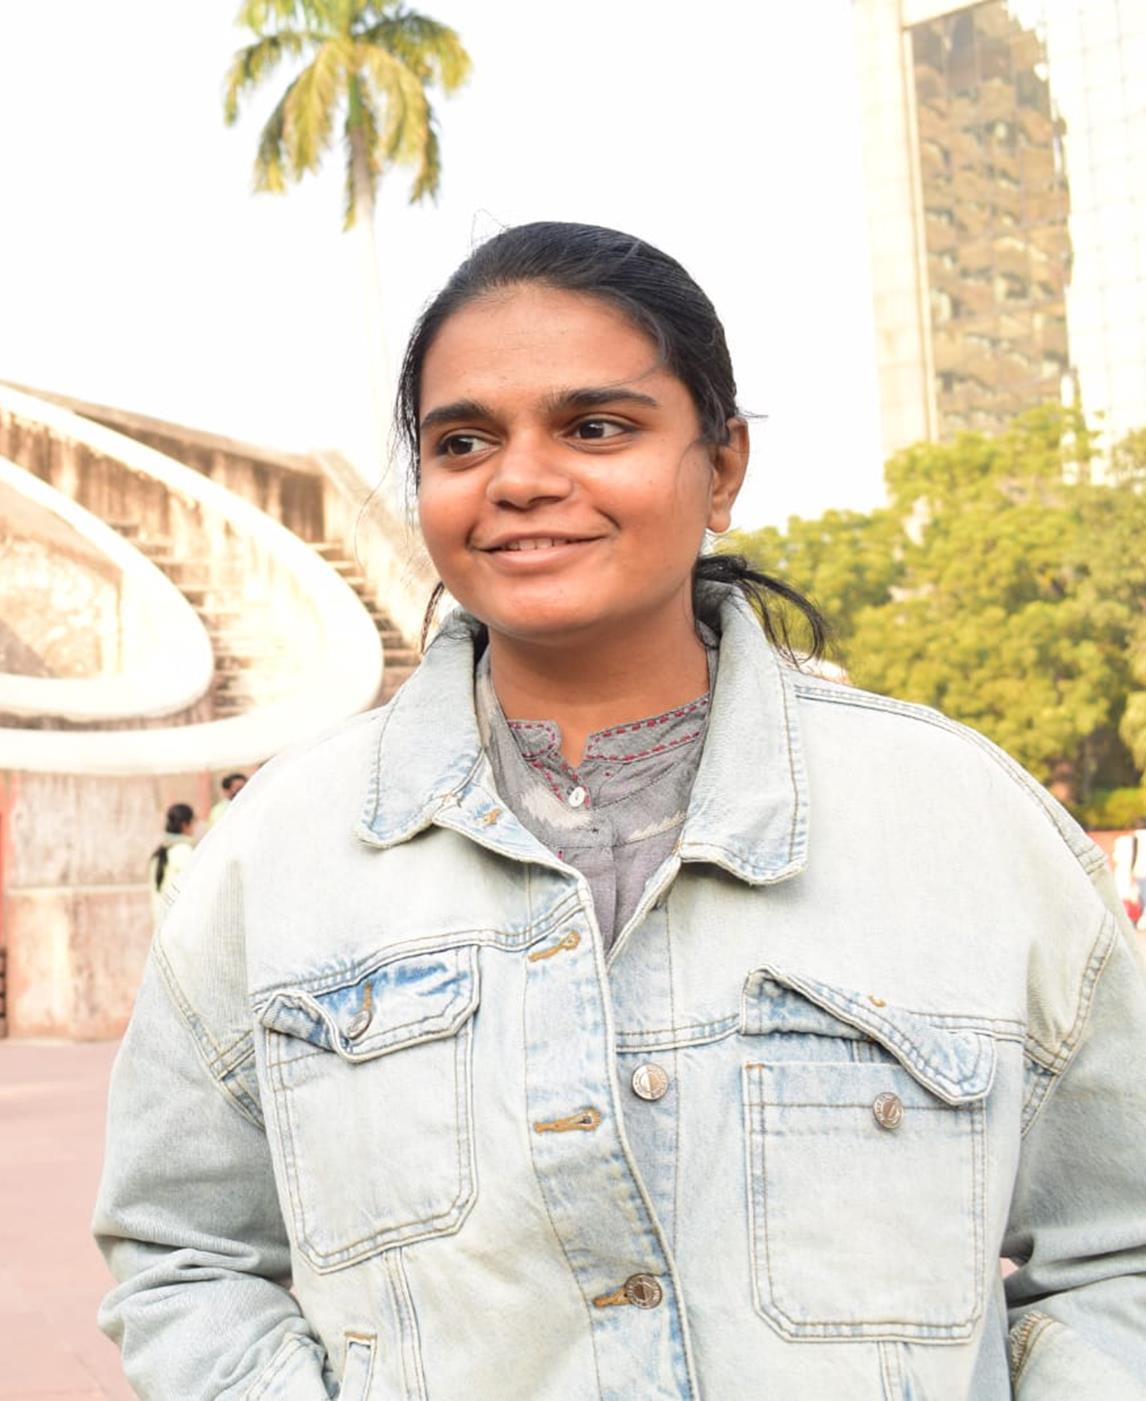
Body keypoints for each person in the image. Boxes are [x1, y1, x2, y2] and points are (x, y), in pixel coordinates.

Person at [95, 223, 1146, 1399]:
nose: (521, 479)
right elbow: (183, 1254)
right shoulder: (281, 855)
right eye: (463, 442)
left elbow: (1122, 1254)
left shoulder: (962, 826)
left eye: (596, 428)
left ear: (724, 466)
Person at [146, 803, 196, 924]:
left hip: (162, 922)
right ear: (185, 825)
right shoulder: (183, 851)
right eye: (193, 823)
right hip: (178, 923)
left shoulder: (159, 853)